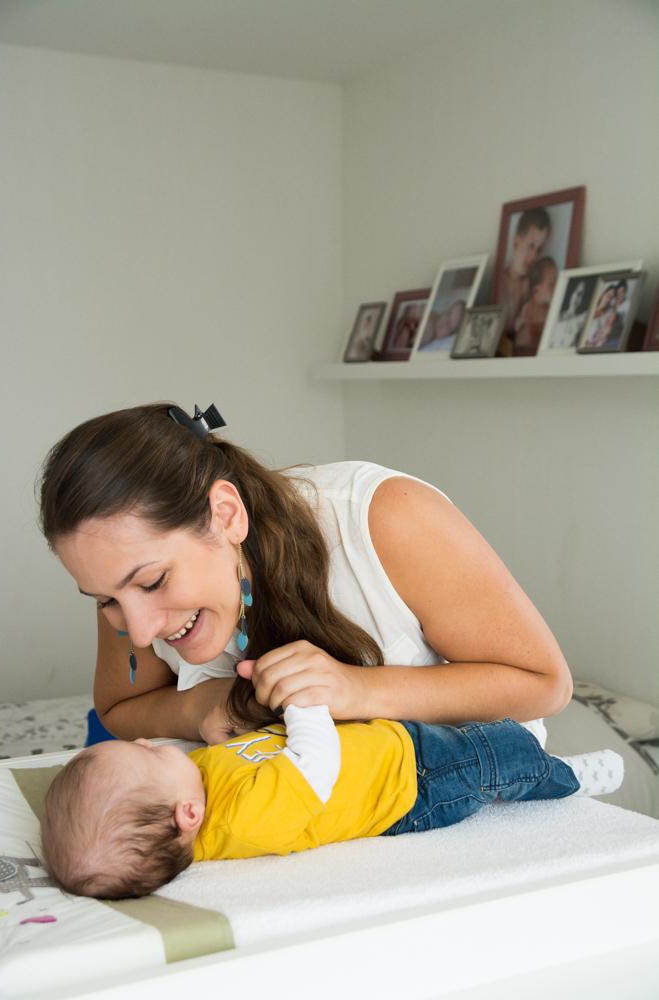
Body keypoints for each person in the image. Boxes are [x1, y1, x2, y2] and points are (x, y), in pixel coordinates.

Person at [39, 402, 574, 748]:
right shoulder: (123, 583)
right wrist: (195, 706)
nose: (138, 631)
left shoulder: (386, 518)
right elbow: (118, 708)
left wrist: (357, 689)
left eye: (153, 582)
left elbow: (545, 684)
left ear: (226, 515)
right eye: (104, 599)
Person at [40, 678, 623, 899]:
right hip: (409, 787)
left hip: (390, 746)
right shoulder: (245, 819)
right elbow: (312, 766)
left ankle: (522, 741)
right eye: (142, 756)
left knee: (480, 737)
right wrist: (305, 704)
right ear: (187, 816)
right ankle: (564, 777)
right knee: (494, 763)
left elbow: (243, 753)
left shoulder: (197, 787)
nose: (147, 744)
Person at [499, 208, 551, 332]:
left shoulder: (534, 287)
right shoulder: (498, 282)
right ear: (516, 242)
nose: (534, 256)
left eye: (539, 250)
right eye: (531, 246)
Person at [513, 256, 558, 355]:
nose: (557, 287)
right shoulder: (528, 310)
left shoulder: (550, 308)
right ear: (536, 290)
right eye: (551, 284)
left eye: (557, 281)